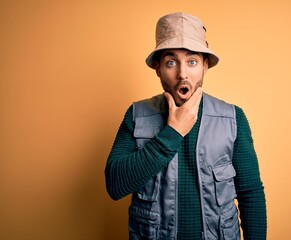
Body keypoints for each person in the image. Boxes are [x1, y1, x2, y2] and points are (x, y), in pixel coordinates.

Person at [105, 12, 267, 240]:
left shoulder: (233, 118)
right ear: (158, 68)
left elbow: (251, 194)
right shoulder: (136, 116)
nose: (182, 74)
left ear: (205, 66)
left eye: (192, 62)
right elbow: (115, 185)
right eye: (171, 63)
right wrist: (172, 133)